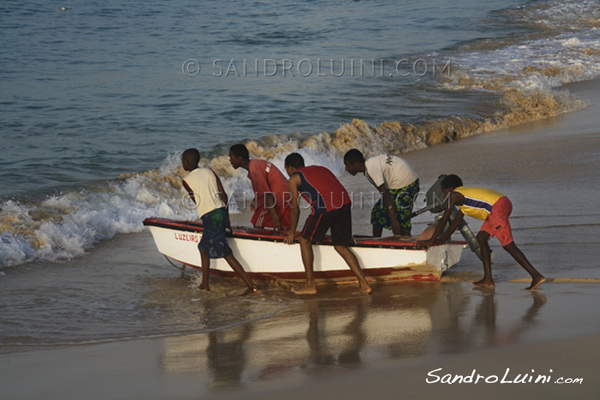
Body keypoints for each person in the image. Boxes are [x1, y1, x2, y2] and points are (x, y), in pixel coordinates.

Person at [419, 174, 545, 290]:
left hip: (498, 207)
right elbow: (456, 223)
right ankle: (488, 279)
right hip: (499, 205)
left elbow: (445, 218)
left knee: (508, 245)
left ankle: (536, 276)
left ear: (450, 189)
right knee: (481, 238)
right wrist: (442, 239)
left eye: (443, 191)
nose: (444, 195)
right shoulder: (463, 197)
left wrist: (431, 240)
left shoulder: (454, 195)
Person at [283, 152, 372, 295]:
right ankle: (364, 284)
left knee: (304, 239)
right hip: (345, 203)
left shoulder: (294, 179)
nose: (287, 173)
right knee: (340, 245)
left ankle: (310, 284)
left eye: (286, 170)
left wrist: (292, 233)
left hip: (326, 207)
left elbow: (294, 209)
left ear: (290, 168)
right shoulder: (320, 168)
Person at [181, 148, 259, 295]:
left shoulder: (187, 181)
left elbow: (196, 201)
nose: (182, 163)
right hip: (221, 212)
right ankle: (204, 284)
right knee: (203, 248)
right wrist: (227, 217)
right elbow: (223, 194)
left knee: (225, 252)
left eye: (183, 161)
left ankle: (251, 286)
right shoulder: (210, 171)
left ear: (188, 162)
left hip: (210, 217)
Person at [343, 149, 419, 237]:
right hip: (408, 181)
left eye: (347, 165)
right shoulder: (369, 167)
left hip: (405, 184)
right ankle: (376, 240)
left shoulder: (371, 169)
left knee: (400, 219)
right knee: (378, 212)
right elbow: (384, 195)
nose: (346, 169)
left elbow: (386, 196)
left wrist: (394, 221)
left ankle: (405, 241)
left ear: (356, 164)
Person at [228, 144, 291, 230]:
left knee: (257, 220)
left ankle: (261, 238)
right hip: (286, 190)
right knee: (282, 222)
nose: (230, 161)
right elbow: (263, 188)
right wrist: (255, 200)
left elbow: (267, 194)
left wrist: (274, 215)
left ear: (239, 158)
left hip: (278, 193)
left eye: (231, 157)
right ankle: (283, 235)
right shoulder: (255, 164)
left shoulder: (254, 169)